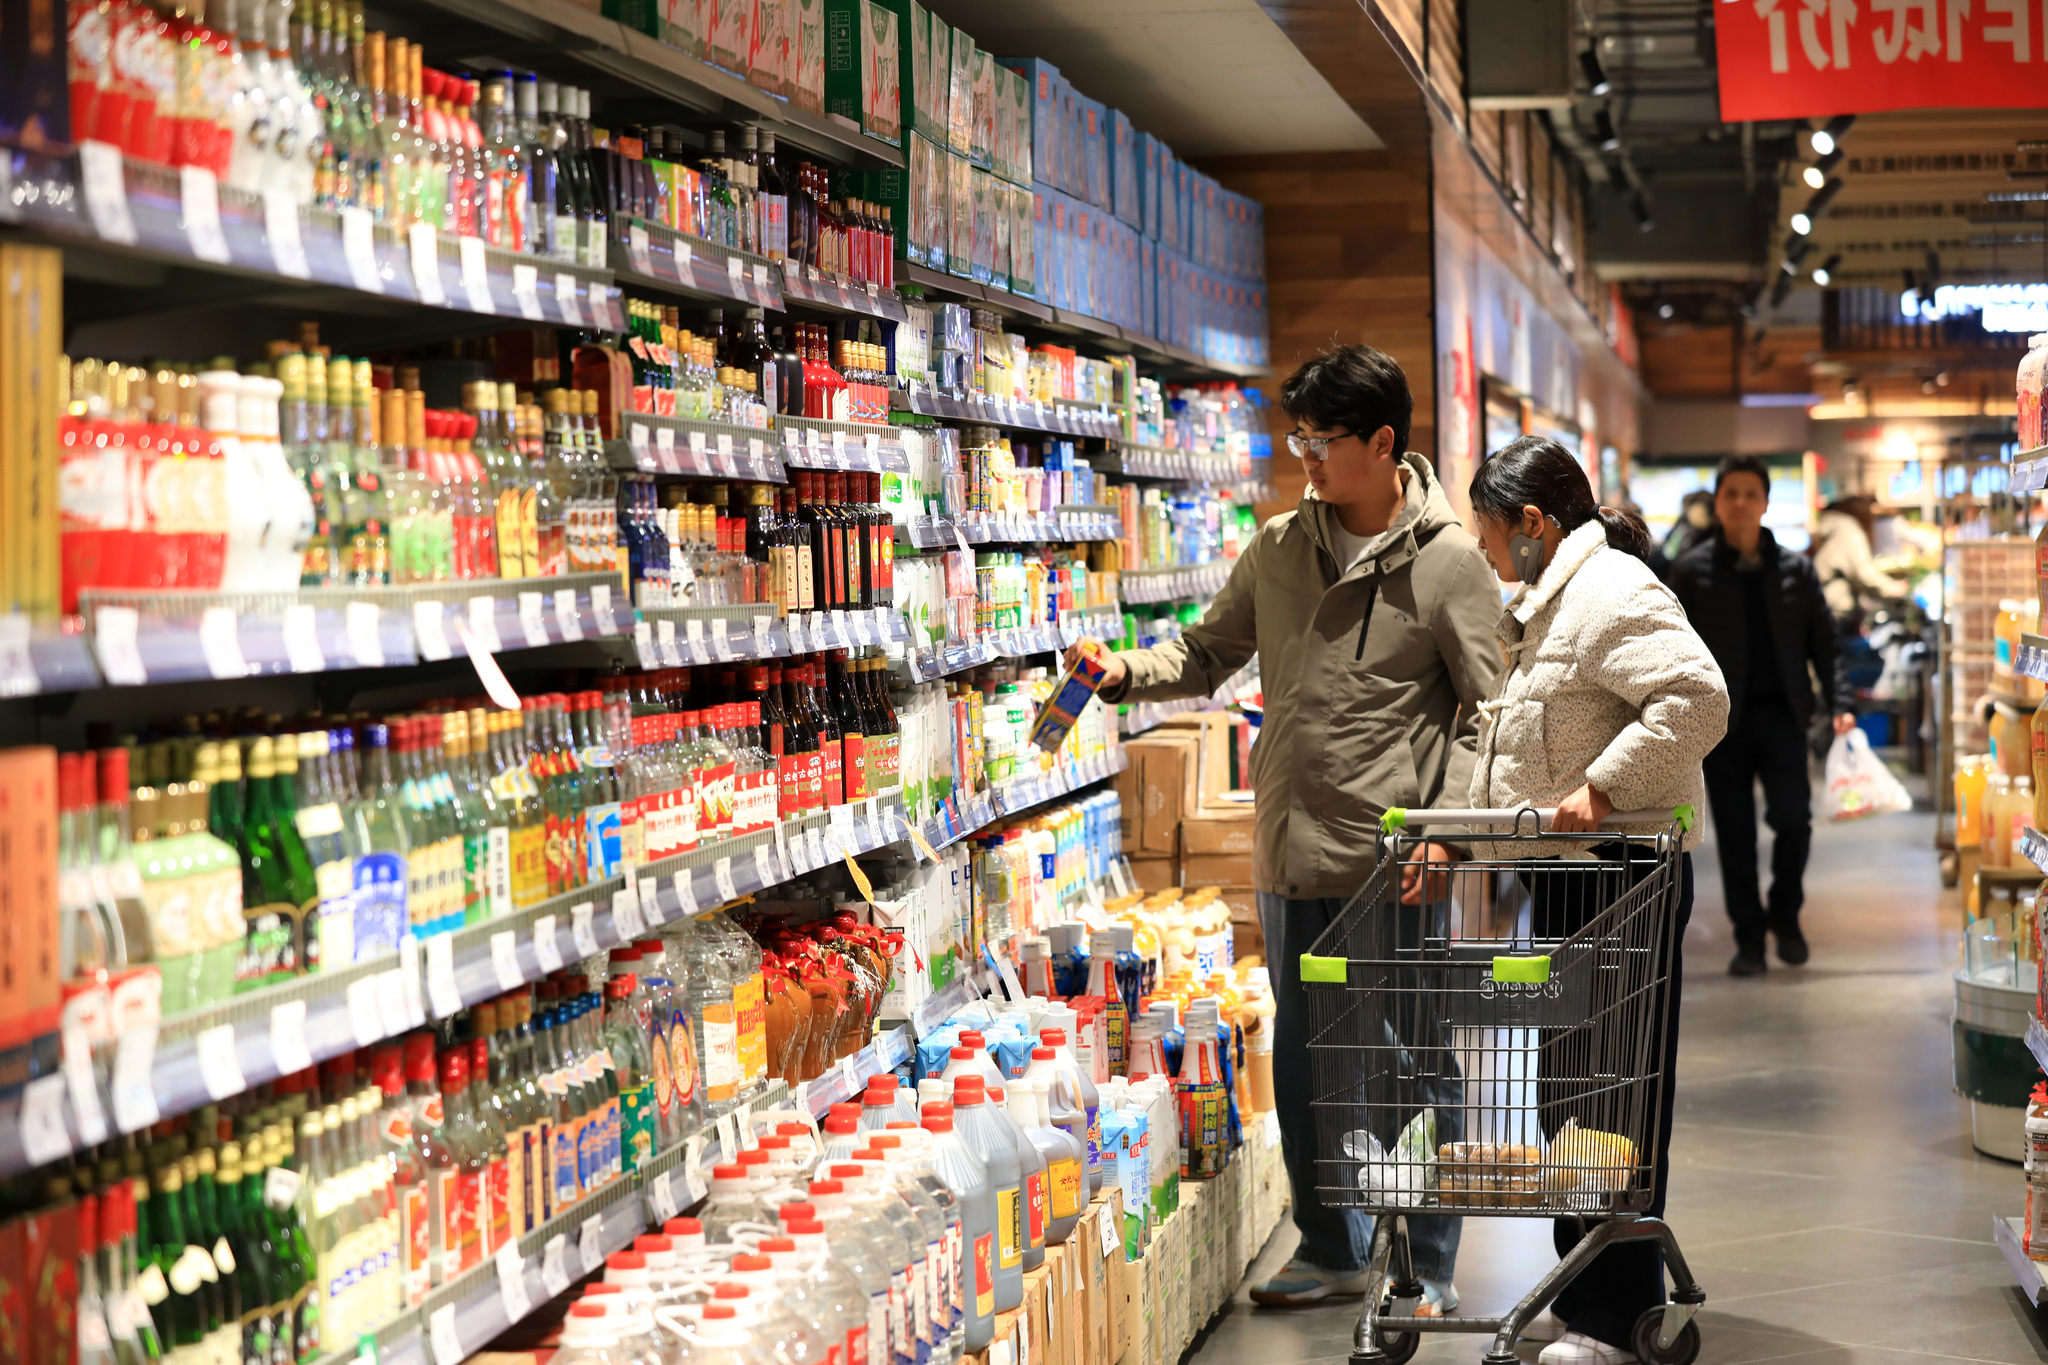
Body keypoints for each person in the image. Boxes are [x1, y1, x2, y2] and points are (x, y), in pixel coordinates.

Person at [1062, 344, 1503, 1311]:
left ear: (1384, 443)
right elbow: (1207, 649)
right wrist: (1120, 670)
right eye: (1297, 435)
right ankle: (1331, 1245)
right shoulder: (1275, 548)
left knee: (1417, 1061)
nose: (1304, 455)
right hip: (1291, 852)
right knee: (1306, 1059)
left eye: (1323, 438)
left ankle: (1428, 1263)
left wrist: (1451, 833)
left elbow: (1490, 709)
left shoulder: (1449, 561)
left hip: (1397, 862)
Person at [1466, 436, 1729, 1365]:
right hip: (1574, 882)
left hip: (1623, 880)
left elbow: (1698, 698)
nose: (1490, 554)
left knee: (1611, 1101)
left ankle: (1618, 1321)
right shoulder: (1552, 602)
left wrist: (1606, 788)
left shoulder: (1612, 591)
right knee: (1565, 1100)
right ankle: (1583, 1292)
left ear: (1535, 524)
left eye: (1493, 534)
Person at [1667, 456, 1856, 977]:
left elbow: (1826, 644)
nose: (1742, 503)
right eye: (1732, 494)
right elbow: (1673, 649)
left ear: (1767, 503)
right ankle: (1749, 938)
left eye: (1752, 494)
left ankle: (1786, 916)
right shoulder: (1692, 571)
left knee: (1794, 821)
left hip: (1784, 717)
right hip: (1721, 725)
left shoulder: (1796, 569)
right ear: (1718, 502)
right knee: (1735, 835)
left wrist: (1841, 705)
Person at [1811, 494, 1908, 629]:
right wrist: (1894, 589)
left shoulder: (1835, 526)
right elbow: (1863, 573)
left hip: (1822, 602)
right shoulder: (1848, 530)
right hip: (1834, 607)